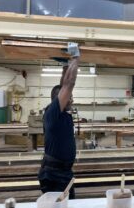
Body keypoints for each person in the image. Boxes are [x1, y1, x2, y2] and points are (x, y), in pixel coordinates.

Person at [38, 42, 80, 199]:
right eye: (70, 98)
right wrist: (75, 58)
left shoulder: (59, 113)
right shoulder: (53, 112)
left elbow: (63, 86)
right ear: (59, 100)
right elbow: (68, 85)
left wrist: (66, 66)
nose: (72, 99)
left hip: (61, 171)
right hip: (54, 174)